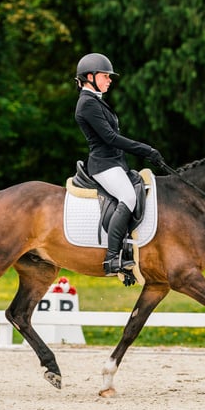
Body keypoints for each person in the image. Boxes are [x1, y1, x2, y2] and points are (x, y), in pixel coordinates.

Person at [73, 52, 166, 276]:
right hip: (103, 165)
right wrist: (146, 150)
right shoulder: (87, 103)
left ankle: (128, 249)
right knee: (129, 197)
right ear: (90, 77)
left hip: (115, 163)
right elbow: (111, 139)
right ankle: (112, 257)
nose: (110, 80)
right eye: (106, 76)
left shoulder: (96, 101)